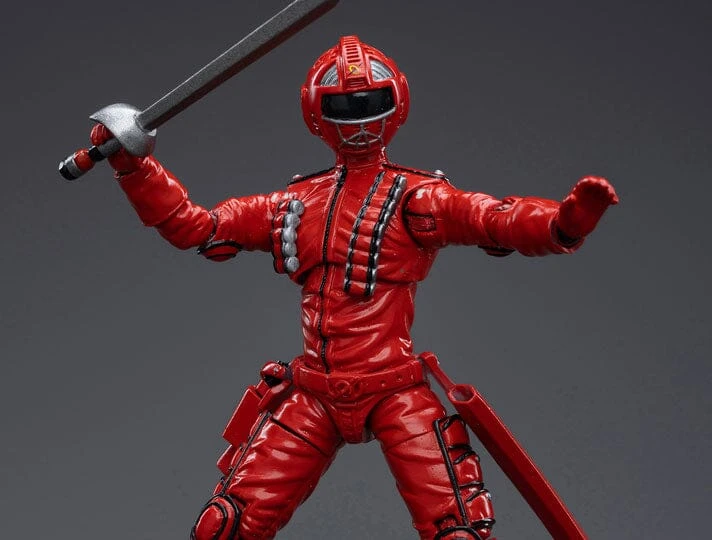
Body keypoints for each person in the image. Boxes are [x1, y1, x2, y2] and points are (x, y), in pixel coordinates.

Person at [90, 35, 617, 540]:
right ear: (316, 113)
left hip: (395, 391)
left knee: (456, 531)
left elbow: (492, 218)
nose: (359, 121)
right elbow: (197, 227)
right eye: (343, 107)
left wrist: (560, 224)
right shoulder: (294, 203)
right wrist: (134, 167)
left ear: (396, 104)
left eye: (371, 103)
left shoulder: (417, 198)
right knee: (224, 526)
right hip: (312, 395)